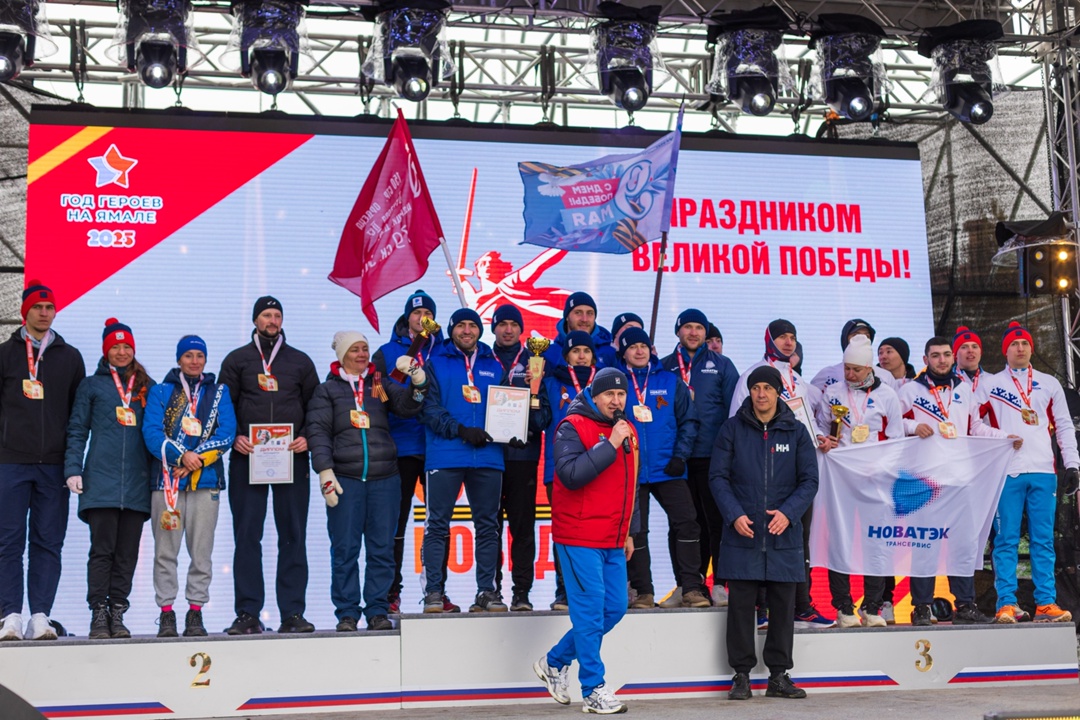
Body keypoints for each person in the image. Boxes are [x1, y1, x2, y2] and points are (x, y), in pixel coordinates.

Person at [533, 368, 640, 715]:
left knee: (615, 608)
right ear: (594, 397)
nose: (616, 401)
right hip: (579, 535)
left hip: (612, 537)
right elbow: (570, 475)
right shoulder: (571, 426)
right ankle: (593, 689)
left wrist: (628, 530)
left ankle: (554, 661)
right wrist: (610, 444)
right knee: (591, 612)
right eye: (609, 395)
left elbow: (632, 483)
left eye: (621, 395)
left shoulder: (626, 430)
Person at [308, 331, 428, 632]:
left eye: (365, 348)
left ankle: (377, 609)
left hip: (384, 479)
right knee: (345, 550)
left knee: (382, 549)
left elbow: (407, 407)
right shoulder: (327, 391)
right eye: (355, 350)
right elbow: (319, 432)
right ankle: (347, 613)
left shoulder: (378, 385)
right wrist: (324, 471)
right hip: (345, 479)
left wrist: (418, 382)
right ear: (342, 356)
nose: (362, 354)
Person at [710, 366, 818, 701]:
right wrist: (734, 515)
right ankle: (741, 676)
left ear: (777, 392)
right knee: (741, 608)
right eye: (755, 387)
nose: (761, 394)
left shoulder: (797, 431)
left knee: (783, 609)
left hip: (783, 535)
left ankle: (778, 677)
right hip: (743, 533)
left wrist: (788, 513)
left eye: (767, 388)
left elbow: (810, 481)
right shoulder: (731, 429)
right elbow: (717, 477)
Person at [898, 336, 1016, 626]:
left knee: (962, 545)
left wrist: (1004, 437)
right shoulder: (910, 390)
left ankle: (965, 605)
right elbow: (891, 423)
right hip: (925, 480)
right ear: (925, 360)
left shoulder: (963, 389)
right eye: (935, 355)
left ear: (953, 358)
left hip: (960, 480)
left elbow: (975, 427)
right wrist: (913, 426)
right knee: (925, 544)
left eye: (946, 354)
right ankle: (921, 607)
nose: (942, 360)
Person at [219, 296, 320, 635]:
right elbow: (223, 407)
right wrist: (235, 436)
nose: (272, 320)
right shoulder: (237, 360)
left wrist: (306, 437)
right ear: (255, 320)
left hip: (291, 457)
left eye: (277, 315)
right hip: (247, 457)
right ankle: (248, 613)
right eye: (266, 315)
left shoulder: (300, 361)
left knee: (293, 535)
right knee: (248, 536)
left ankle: (292, 613)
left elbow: (316, 408)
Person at [730, 319, 832, 629]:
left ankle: (802, 606)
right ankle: (761, 608)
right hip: (762, 473)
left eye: (792, 337)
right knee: (762, 538)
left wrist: (821, 436)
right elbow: (736, 424)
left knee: (798, 539)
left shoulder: (798, 380)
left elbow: (810, 420)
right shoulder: (751, 376)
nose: (788, 342)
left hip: (795, 474)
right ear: (769, 339)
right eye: (782, 337)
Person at [0, 281, 85, 641]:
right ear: (25, 312)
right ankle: (9, 616)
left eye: (49, 307)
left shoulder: (70, 357)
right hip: (10, 463)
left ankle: (40, 617)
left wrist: (72, 463)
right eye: (37, 307)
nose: (44, 313)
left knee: (48, 543)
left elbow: (77, 416)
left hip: (53, 466)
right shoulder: (5, 354)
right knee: (8, 542)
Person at [981, 322, 1078, 623]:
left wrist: (1072, 463)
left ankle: (1045, 603)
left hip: (1043, 471)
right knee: (1005, 540)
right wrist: (1001, 437)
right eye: (1014, 344)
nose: (1020, 348)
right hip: (1006, 471)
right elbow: (973, 424)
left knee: (1043, 540)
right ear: (1005, 351)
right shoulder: (990, 384)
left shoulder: (1049, 383)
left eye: (1024, 343)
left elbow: (1064, 425)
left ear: (1032, 348)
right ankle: (1006, 603)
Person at [64, 319, 154, 640]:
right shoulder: (91, 386)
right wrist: (73, 469)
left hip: (136, 484)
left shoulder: (147, 387)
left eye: (127, 346)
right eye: (115, 347)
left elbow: (156, 434)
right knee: (102, 551)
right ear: (106, 350)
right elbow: (77, 430)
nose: (122, 352)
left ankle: (118, 611)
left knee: (127, 554)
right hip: (100, 483)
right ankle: (98, 613)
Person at [143, 335, 236, 638]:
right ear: (179, 359)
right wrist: (182, 455)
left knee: (201, 552)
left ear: (205, 360)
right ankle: (166, 613)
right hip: (166, 483)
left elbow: (227, 433)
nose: (194, 361)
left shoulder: (219, 392)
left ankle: (195, 611)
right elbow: (152, 432)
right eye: (188, 356)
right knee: (165, 552)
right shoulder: (161, 391)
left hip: (205, 483)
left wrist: (195, 460)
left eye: (199, 355)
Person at [373, 290, 459, 614]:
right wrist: (399, 392)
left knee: (439, 523)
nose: (422, 318)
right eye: (416, 313)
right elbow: (378, 394)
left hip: (440, 447)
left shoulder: (447, 351)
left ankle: (436, 591)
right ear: (407, 317)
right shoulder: (386, 352)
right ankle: (390, 593)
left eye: (428, 313)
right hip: (403, 446)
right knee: (396, 523)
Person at [418, 307, 508, 613]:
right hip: (445, 453)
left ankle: (486, 591)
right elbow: (429, 408)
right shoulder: (435, 362)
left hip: (488, 456)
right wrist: (459, 430)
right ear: (452, 330)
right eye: (461, 326)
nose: (467, 331)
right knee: (437, 525)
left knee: (488, 526)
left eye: (472, 325)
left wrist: (512, 430)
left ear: (480, 330)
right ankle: (433, 592)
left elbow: (506, 405)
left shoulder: (493, 363)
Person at [814, 335, 903, 629]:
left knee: (875, 543)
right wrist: (823, 439)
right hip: (840, 479)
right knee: (840, 541)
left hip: (875, 481)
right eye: (846, 368)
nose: (850, 375)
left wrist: (881, 468)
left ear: (869, 368)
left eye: (856, 369)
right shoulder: (833, 392)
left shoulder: (887, 395)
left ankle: (872, 606)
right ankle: (843, 607)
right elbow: (822, 427)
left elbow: (897, 441)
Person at [617, 327, 705, 610]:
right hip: (632, 469)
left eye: (643, 346)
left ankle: (691, 588)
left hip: (668, 467)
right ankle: (644, 592)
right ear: (624, 353)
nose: (639, 351)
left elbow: (689, 421)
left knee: (687, 522)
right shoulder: (617, 383)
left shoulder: (670, 380)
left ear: (651, 349)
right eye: (633, 347)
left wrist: (681, 456)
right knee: (637, 531)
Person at [660, 309, 738, 607]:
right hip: (676, 458)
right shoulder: (664, 366)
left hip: (712, 457)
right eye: (688, 327)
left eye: (699, 328)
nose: (693, 333)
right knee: (681, 524)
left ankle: (719, 584)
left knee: (716, 521)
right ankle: (686, 584)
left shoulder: (722, 365)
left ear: (706, 333)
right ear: (678, 331)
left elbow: (734, 412)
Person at [536, 330, 598, 611]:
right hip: (560, 468)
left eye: (586, 351)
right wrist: (533, 390)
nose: (581, 356)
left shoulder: (604, 383)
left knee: (596, 528)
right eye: (575, 351)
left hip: (600, 465)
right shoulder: (550, 383)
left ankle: (595, 590)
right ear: (566, 357)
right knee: (564, 530)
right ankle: (564, 591)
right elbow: (539, 421)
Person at [489, 304, 542, 611]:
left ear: (522, 329)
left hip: (524, 455)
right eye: (502, 324)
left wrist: (534, 402)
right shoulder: (482, 358)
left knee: (522, 528)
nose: (508, 329)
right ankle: (491, 590)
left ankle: (522, 592)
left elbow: (544, 410)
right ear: (493, 328)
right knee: (490, 527)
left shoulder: (535, 360)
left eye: (513, 324)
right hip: (490, 455)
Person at [809, 319, 892, 392]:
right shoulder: (827, 374)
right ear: (845, 339)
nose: (862, 339)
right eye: (856, 335)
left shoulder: (885, 376)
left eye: (867, 336)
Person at [543, 292, 618, 369]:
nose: (584, 319)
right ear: (567, 317)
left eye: (590, 313)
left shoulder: (611, 353)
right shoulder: (548, 354)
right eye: (578, 313)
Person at [952, 327, 986, 401]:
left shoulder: (993, 380)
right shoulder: (946, 381)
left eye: (974, 347)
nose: (970, 350)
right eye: (964, 347)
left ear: (980, 352)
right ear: (955, 354)